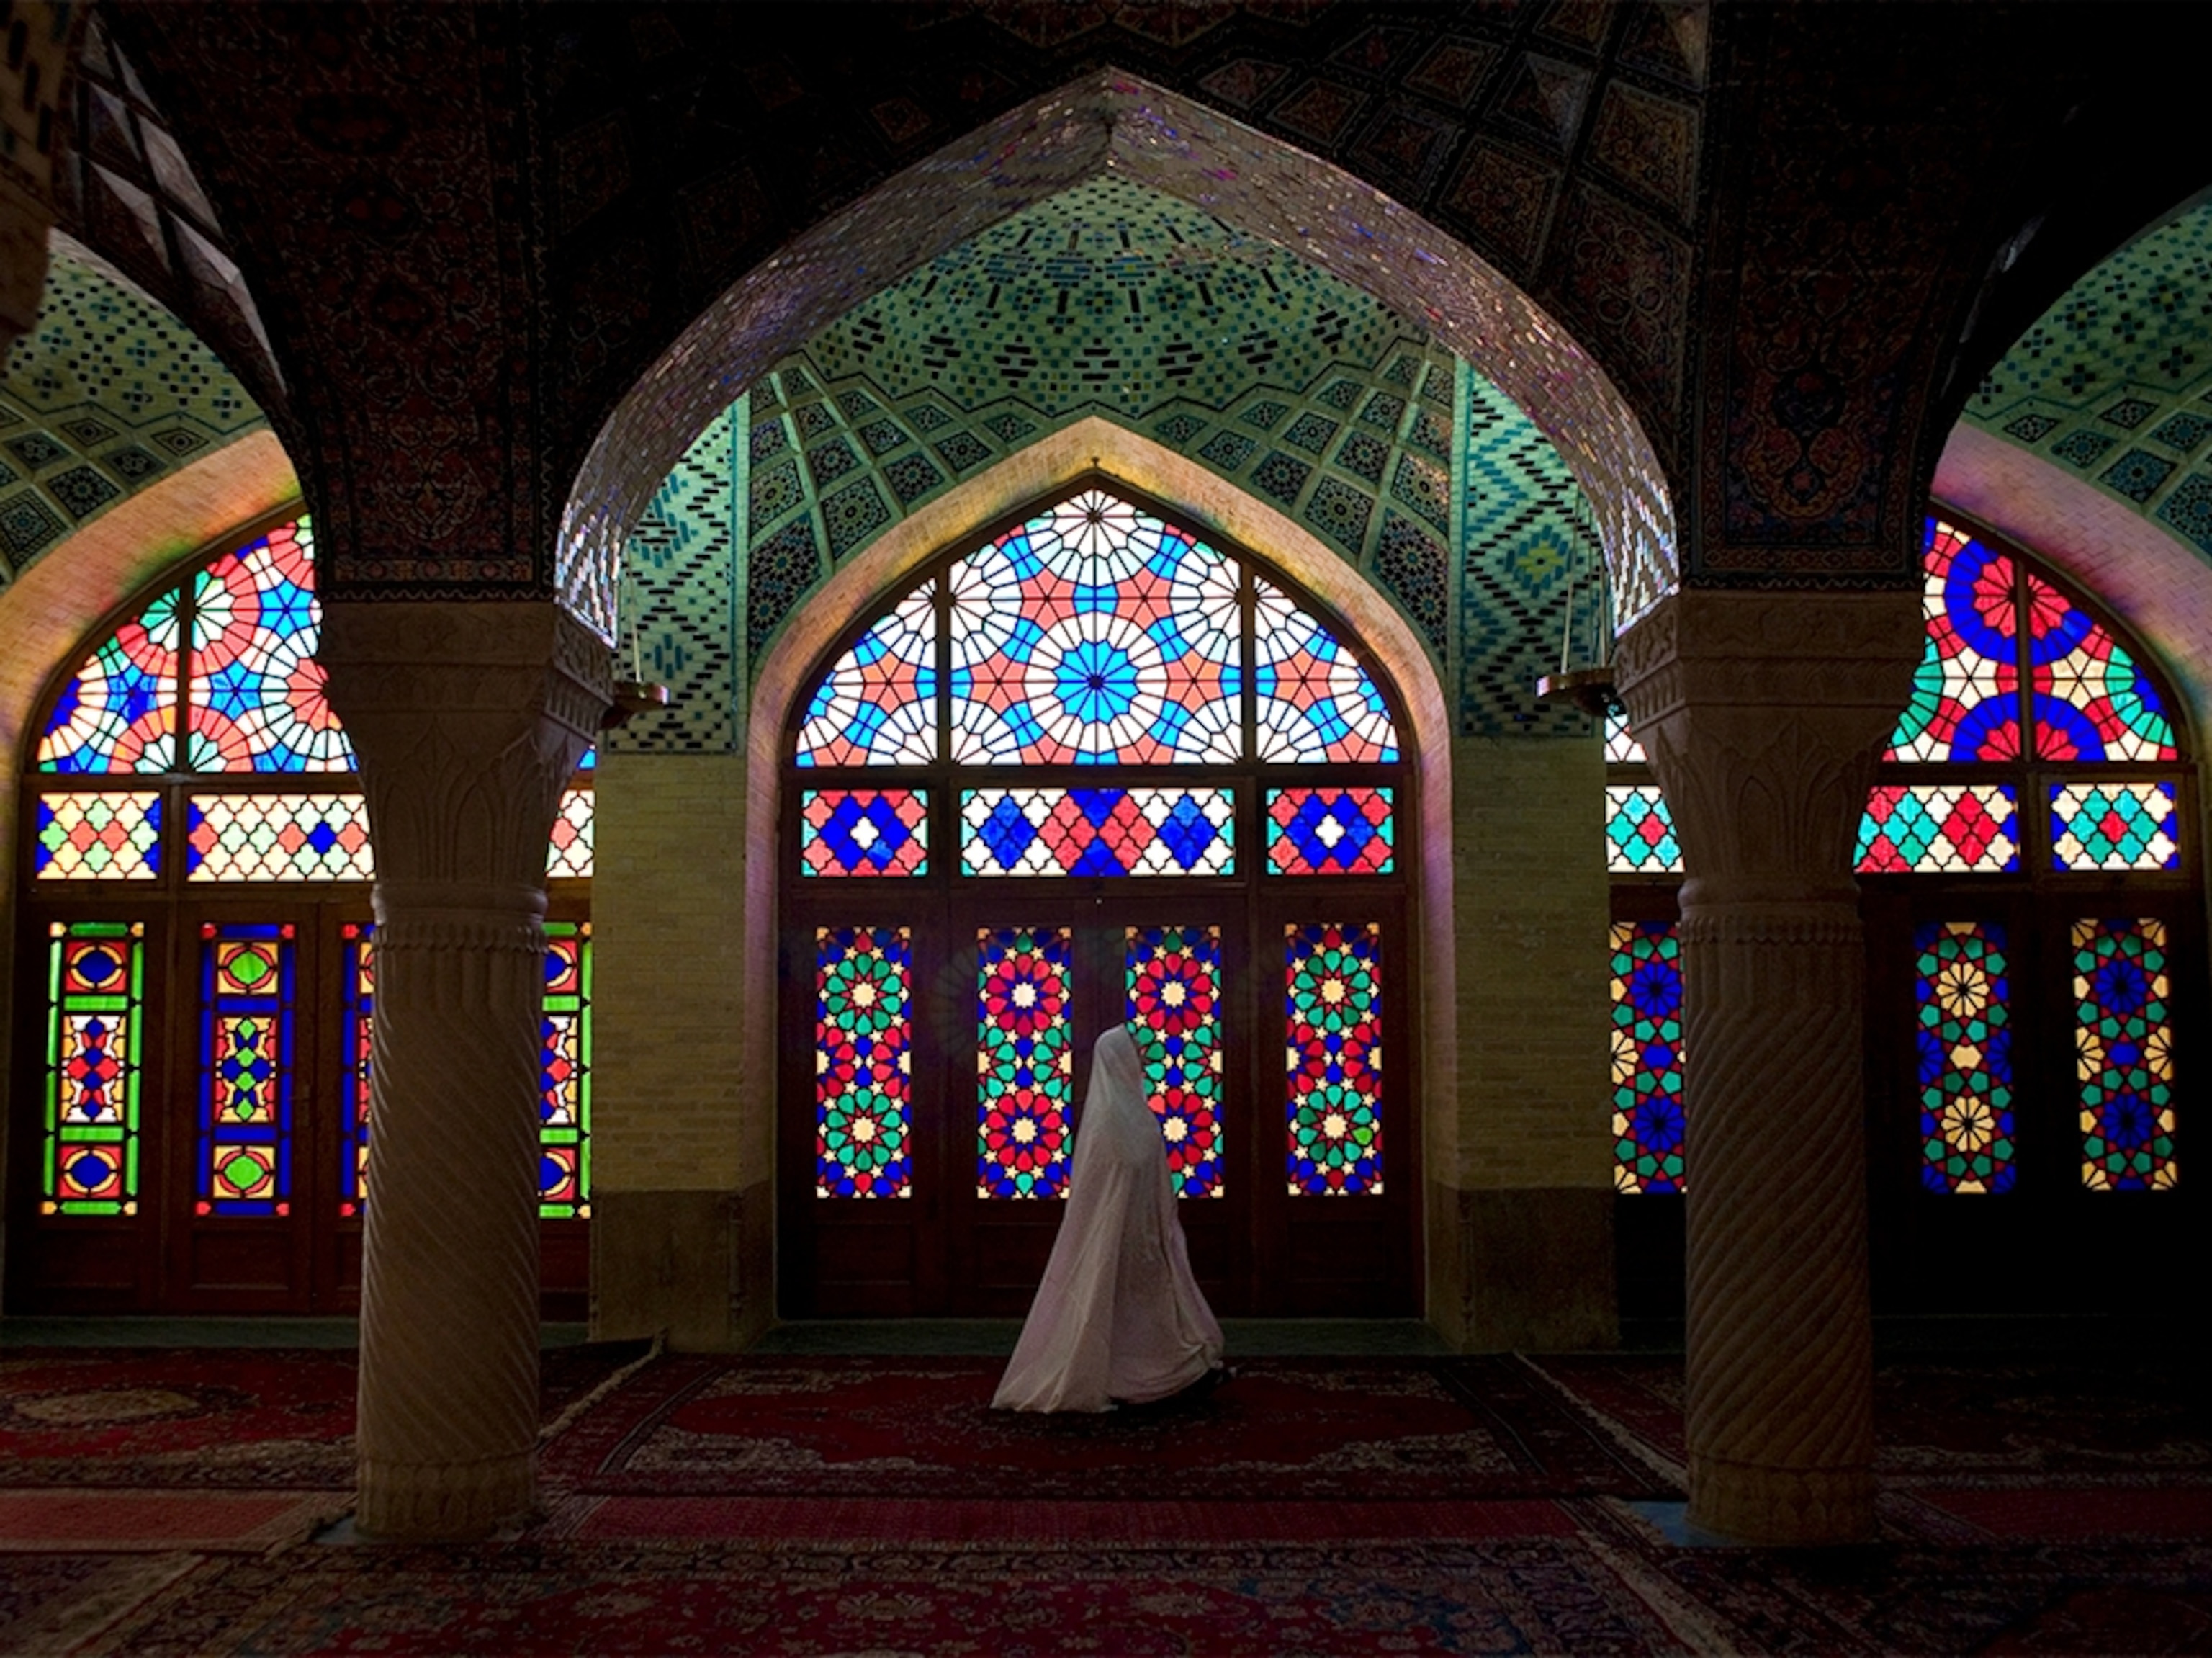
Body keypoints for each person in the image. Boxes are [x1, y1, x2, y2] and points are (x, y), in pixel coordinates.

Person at [992, 1021, 1226, 1412]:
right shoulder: (1107, 1122)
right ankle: (1120, 1378)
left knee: (1151, 1309)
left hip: (1145, 1236)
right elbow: (1105, 1188)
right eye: (1135, 1052)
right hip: (1115, 1237)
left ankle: (1172, 1376)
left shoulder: (1134, 1111)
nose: (1143, 1059)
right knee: (1116, 1307)